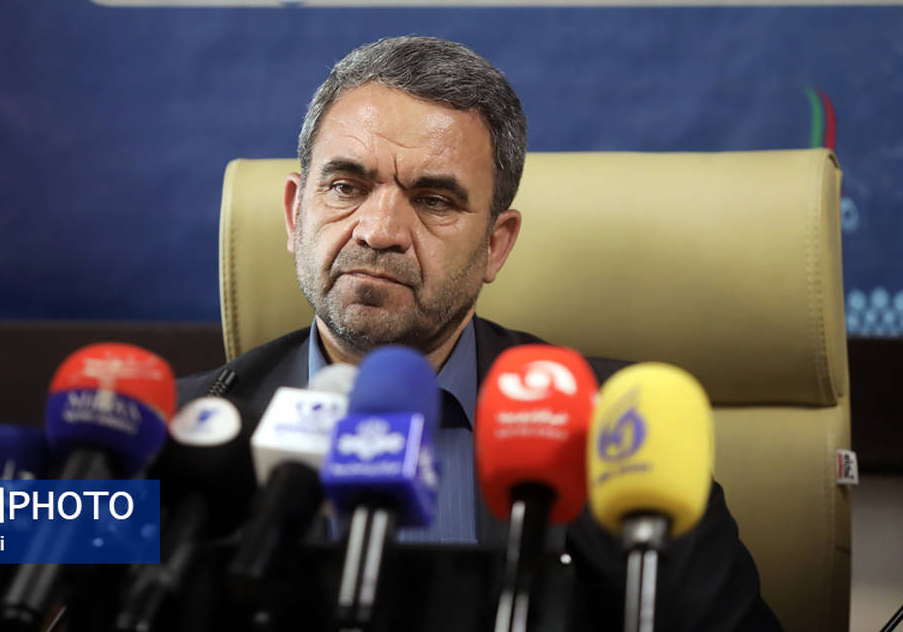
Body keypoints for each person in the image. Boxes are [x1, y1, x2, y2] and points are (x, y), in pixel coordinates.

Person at [178, 35, 781, 630]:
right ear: (294, 212)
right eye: (346, 188)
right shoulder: (169, 436)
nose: (378, 231)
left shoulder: (624, 431)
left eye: (434, 201)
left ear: (496, 245)